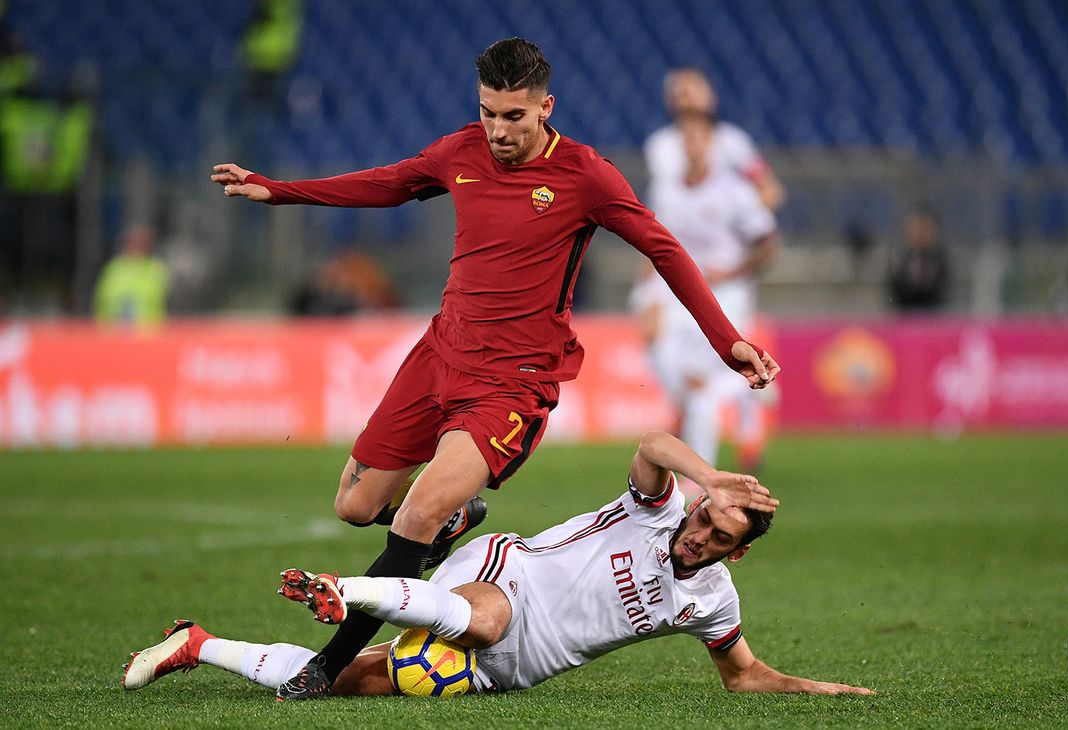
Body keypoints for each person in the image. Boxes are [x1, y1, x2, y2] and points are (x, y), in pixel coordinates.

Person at [210, 37, 780, 700]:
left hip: (512, 384)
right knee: (356, 506)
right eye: (488, 113)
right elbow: (389, 183)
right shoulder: (461, 151)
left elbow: (665, 250)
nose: (499, 131)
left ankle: (325, 667)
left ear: (545, 108)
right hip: (438, 357)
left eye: (514, 116)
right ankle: (453, 523)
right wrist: (280, 192)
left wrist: (727, 342)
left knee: (414, 519)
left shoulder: (586, 175)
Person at [123, 431, 871, 697]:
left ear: (738, 552)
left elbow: (743, 674)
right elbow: (651, 444)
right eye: (705, 514)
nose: (700, 532)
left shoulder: (712, 600)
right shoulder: (657, 508)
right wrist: (708, 478)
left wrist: (817, 689)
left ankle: (196, 644)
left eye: (719, 534)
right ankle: (346, 588)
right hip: (504, 578)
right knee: (484, 620)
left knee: (336, 683)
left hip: (506, 671)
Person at [634, 111, 779, 473]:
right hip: (680, 292)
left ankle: (698, 477)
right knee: (669, 363)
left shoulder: (734, 191)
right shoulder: (667, 190)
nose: (691, 145)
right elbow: (653, 243)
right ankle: (743, 392)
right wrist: (645, 292)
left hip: (726, 296)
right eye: (685, 138)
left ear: (712, 144)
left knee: (699, 383)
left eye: (698, 137)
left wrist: (731, 271)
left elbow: (768, 243)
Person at [644, 67, 785, 212]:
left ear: (710, 97)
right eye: (683, 95)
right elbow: (669, 199)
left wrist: (735, 211)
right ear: (670, 102)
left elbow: (770, 191)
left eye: (695, 94)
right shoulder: (662, 144)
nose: (690, 103)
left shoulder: (733, 140)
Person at [93, 224, 170, 327]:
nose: (136, 247)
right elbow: (102, 299)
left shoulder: (156, 269)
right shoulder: (114, 267)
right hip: (113, 330)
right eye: (133, 242)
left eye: (141, 243)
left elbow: (161, 300)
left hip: (149, 331)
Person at [888, 210, 950, 311]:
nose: (920, 234)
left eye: (924, 229)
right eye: (917, 229)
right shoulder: (900, 257)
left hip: (933, 313)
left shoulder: (939, 258)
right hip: (905, 312)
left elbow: (943, 288)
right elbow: (895, 287)